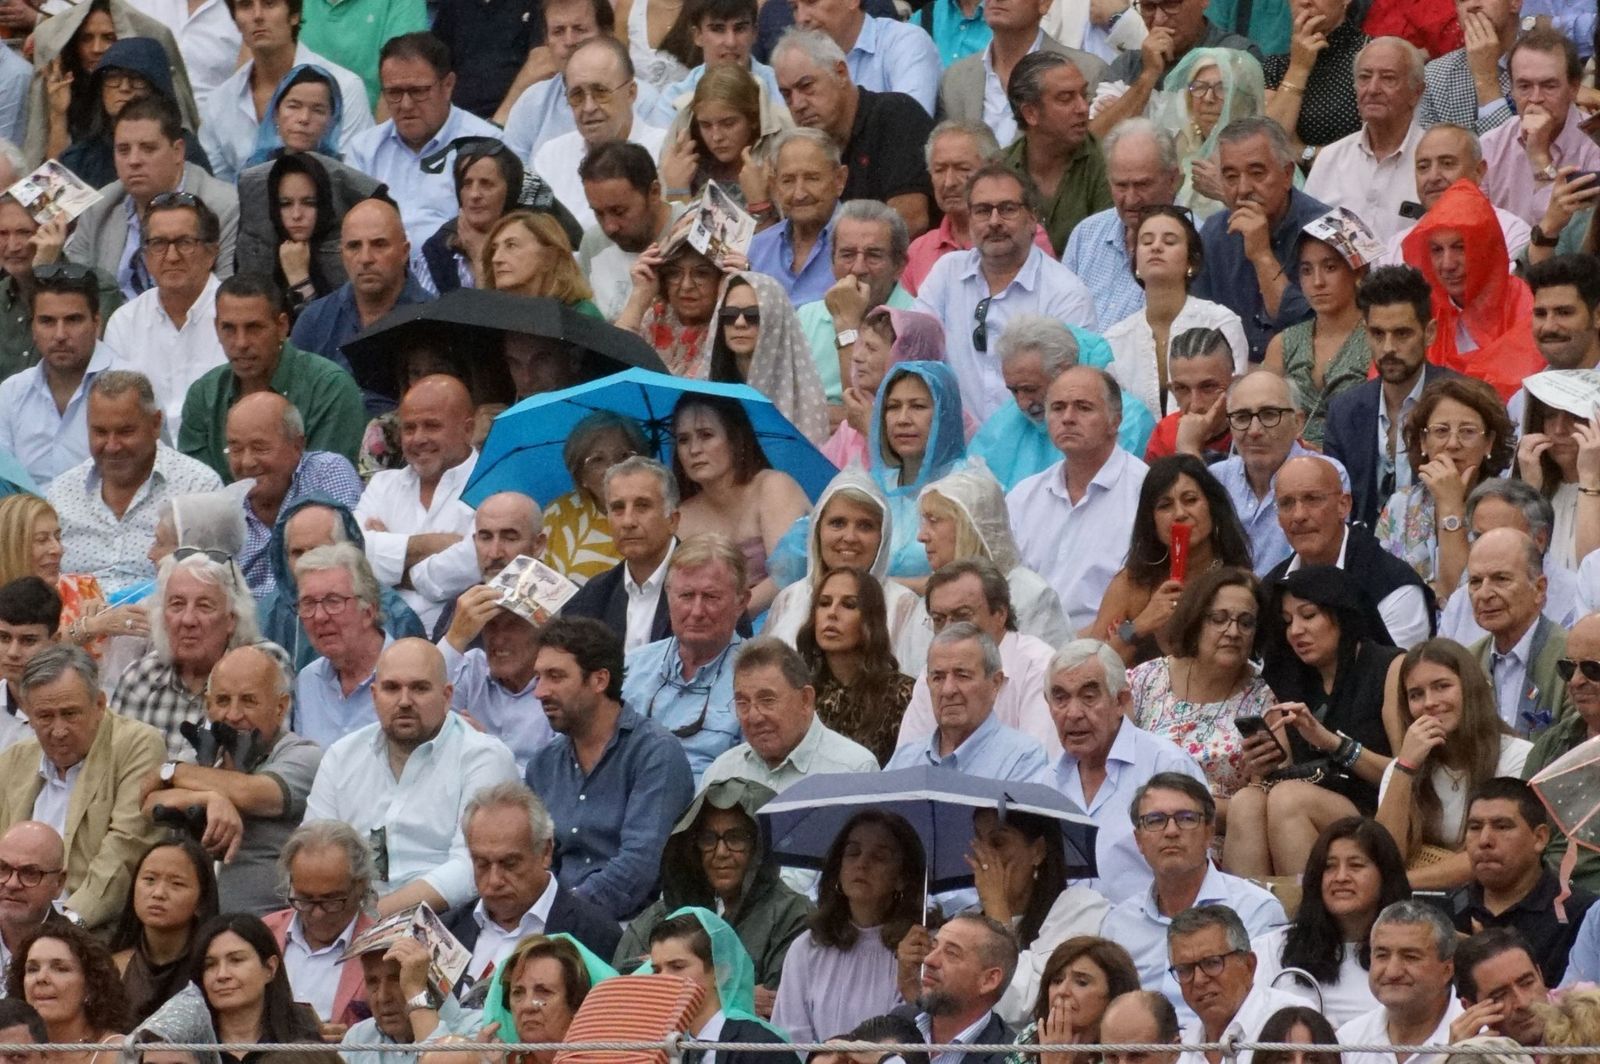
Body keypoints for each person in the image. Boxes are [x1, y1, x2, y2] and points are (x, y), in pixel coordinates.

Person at [304, 638, 520, 915]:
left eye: (419, 688)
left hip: (449, 919)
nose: (404, 701)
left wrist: (374, 918)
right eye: (392, 688)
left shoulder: (484, 758)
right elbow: (314, 850)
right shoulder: (341, 756)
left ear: (447, 696)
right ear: (374, 695)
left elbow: (471, 868)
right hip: (347, 915)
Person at [524, 616, 697, 921]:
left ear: (600, 680)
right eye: (538, 677)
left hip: (632, 925)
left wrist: (563, 915)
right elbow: (537, 863)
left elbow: (639, 866)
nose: (540, 691)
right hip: (554, 922)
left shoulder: (655, 753)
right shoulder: (543, 765)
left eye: (555, 676)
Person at [1237, 567, 1403, 878]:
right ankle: (1252, 908)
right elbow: (1281, 773)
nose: (1295, 631)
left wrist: (1332, 743)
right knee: (1246, 802)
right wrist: (1262, 766)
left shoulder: (1390, 666)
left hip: (1378, 812)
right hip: (1309, 801)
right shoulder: (1290, 676)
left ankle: (1305, 908)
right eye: (1287, 621)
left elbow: (1406, 774)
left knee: (1289, 798)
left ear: (1340, 613)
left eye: (1308, 615)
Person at [141, 643, 319, 915]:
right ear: (208, 705)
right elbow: (149, 802)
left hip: (269, 928)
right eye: (223, 701)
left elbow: (251, 793)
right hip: (195, 927)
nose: (234, 715)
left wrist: (173, 771)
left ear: (280, 707)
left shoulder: (303, 755)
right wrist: (208, 799)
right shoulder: (204, 754)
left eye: (249, 701)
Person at [0, 646, 164, 929]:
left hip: (94, 930)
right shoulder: (14, 760)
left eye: (70, 714)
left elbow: (125, 851)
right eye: (45, 716)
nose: (58, 730)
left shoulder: (136, 745)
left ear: (100, 704)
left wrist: (65, 929)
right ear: (28, 713)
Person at [918, 163, 1098, 422]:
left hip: (1036, 438)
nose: (994, 222)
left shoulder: (1066, 293)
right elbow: (914, 349)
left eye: (1007, 209)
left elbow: (1073, 389)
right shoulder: (947, 273)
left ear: (1032, 218)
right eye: (982, 211)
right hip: (957, 442)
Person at [1097, 773, 1286, 1011]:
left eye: (1186, 819)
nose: (1171, 831)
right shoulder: (1117, 925)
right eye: (1155, 820)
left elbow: (1265, 1009)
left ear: (1209, 833)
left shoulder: (1256, 910)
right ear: (1139, 841)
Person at [617, 776, 811, 1003]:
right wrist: (739, 995)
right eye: (708, 839)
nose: (721, 852)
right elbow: (620, 991)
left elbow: (779, 1004)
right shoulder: (664, 914)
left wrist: (663, 983)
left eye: (736, 838)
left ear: (760, 845)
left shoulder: (793, 916)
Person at [1044, 639, 1207, 899]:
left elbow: (1193, 873)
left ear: (1121, 701)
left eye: (1088, 697)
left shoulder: (1166, 766)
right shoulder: (1046, 783)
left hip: (1148, 921)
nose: (1073, 713)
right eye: (1060, 699)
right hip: (1063, 922)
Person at [46, 371, 224, 596]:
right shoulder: (62, 493)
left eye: (125, 432)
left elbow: (214, 584)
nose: (112, 446)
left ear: (156, 424)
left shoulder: (197, 488)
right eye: (100, 432)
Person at [178, 273, 366, 483]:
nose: (241, 343)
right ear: (216, 328)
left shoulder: (329, 389)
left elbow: (327, 486)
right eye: (228, 328)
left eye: (254, 328)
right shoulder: (204, 395)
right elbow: (195, 487)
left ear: (282, 326)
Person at [1375, 639, 1533, 889]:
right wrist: (1405, 768)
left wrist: (1399, 884)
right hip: (1417, 900)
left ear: (1470, 688)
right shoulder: (1401, 768)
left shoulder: (1517, 756)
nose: (1429, 702)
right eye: (1416, 694)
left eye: (1442, 686)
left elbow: (1496, 851)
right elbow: (1384, 857)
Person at [1007, 366, 1148, 634]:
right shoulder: (1023, 497)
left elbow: (1144, 606)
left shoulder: (1145, 492)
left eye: (1083, 407)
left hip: (1110, 647)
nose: (1068, 418)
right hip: (1024, 647)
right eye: (1058, 408)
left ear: (1115, 421)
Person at [60, 96, 240, 303]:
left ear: (178, 151)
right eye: (123, 150)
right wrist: (47, 257)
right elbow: (77, 299)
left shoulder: (224, 207)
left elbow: (227, 297)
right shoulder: (99, 207)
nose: (133, 161)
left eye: (148, 148)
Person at [110, 548, 286, 759]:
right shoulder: (140, 677)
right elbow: (114, 767)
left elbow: (270, 760)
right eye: (177, 605)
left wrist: (169, 774)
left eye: (204, 606)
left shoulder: (265, 666)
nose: (188, 620)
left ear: (231, 618)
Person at [1128, 567, 1279, 811]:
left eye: (1246, 623)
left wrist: (1260, 776)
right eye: (1219, 619)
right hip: (1140, 819)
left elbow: (1266, 803)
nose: (1233, 632)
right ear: (1196, 621)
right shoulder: (1146, 679)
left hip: (1220, 827)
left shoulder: (1266, 699)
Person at [441, 781, 622, 981]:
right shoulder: (446, 931)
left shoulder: (595, 935)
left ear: (545, 852)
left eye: (509, 864)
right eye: (482, 864)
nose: (494, 880)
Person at [772, 810, 927, 1043]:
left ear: (901, 877)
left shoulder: (921, 949)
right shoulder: (807, 947)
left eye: (879, 857)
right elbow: (789, 1039)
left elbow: (927, 1034)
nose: (862, 864)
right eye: (853, 853)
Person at [1324, 264, 1458, 531]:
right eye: (1378, 334)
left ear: (1429, 333)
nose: (1388, 348)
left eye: (1402, 333)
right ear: (1366, 333)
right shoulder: (1344, 411)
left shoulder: (1463, 402)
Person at [762, 467, 934, 673]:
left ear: (883, 536)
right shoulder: (789, 599)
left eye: (865, 526)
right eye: (837, 523)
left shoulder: (903, 604)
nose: (850, 537)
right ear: (817, 530)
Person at [1190, 117, 1330, 364]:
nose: (1243, 189)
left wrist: (1262, 256)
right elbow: (1197, 326)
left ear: (1287, 174)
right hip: (1230, 377)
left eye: (1257, 173)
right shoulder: (1213, 233)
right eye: (1231, 177)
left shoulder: (1330, 230)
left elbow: (1321, 332)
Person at [342, 34, 501, 249]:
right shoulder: (363, 150)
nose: (406, 105)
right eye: (394, 93)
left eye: (418, 91)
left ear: (448, 85)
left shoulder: (487, 145)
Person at [1090, 456, 1252, 666]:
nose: (1180, 514)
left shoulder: (1238, 581)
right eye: (1165, 506)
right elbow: (1093, 662)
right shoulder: (1131, 582)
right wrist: (1138, 626)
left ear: (1212, 507)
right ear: (1151, 520)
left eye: (1190, 500)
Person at [768, 31, 933, 236]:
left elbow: (911, 219)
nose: (797, 104)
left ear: (841, 73)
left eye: (806, 86)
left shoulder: (895, 114)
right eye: (786, 95)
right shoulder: (810, 147)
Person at [1249, 817, 1409, 1026]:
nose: (1340, 877)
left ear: (1385, 876)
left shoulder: (1413, 954)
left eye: (1356, 865)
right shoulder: (1271, 949)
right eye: (1329, 867)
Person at [1267, 455, 1434, 650]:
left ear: (1343, 505)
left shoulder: (1394, 588)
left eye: (1312, 499)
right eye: (1286, 503)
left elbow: (1397, 667)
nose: (1299, 515)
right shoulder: (1270, 589)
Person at [353, 375, 479, 632]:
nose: (418, 438)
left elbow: (474, 564)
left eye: (432, 426)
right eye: (409, 428)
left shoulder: (493, 487)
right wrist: (429, 545)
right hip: (379, 638)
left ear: (468, 429)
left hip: (458, 642)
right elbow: (352, 554)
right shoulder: (382, 485)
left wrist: (388, 561)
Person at [1399, 180, 1545, 402]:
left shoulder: (1525, 305)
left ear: (1486, 247)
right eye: (1437, 250)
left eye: (1460, 247)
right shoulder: (1425, 309)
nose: (1447, 264)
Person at [98, 190, 228, 437]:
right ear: (145, 256)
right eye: (158, 244)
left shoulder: (238, 316)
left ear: (212, 253)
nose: (171, 256)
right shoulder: (124, 322)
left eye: (185, 243)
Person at [621, 535, 749, 784]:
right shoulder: (633, 667)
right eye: (687, 596)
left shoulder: (759, 676)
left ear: (741, 602)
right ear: (668, 595)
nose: (697, 611)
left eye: (711, 597)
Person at [898, 560, 1060, 757]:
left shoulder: (1039, 667)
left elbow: (1040, 762)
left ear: (1000, 614)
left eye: (961, 616)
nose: (949, 629)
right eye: (939, 620)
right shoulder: (934, 673)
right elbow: (908, 759)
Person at [197, 0, 370, 184]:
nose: (257, 15)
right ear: (236, 21)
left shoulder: (345, 88)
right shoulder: (218, 103)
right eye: (246, 5)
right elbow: (217, 190)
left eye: (269, 4)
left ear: (294, 15)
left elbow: (352, 180)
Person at [968, 315, 1153, 486]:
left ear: (1064, 371)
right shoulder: (1008, 417)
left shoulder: (1129, 420)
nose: (1022, 403)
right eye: (1014, 391)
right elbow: (968, 480)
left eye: (1030, 389)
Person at [1374, 376, 1515, 599]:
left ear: (1488, 442)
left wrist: (1451, 506)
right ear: (1423, 440)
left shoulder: (1507, 507)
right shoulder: (1400, 504)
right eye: (1441, 431)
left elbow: (1461, 599)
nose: (1452, 444)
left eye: (1467, 431)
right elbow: (1379, 588)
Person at [1105, 204, 1248, 422]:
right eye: (1146, 241)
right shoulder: (1114, 340)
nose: (1156, 247)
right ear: (1136, 263)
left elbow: (1236, 400)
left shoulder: (1220, 322)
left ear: (1191, 261)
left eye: (1170, 241)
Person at [671, 397, 811, 616]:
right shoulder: (682, 516)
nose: (694, 449)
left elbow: (788, 575)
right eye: (683, 440)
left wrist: (728, 615)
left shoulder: (773, 486)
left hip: (786, 617)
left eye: (706, 435)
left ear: (736, 439)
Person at [256, 498, 427, 671]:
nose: (306, 561)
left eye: (318, 550)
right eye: (297, 552)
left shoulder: (395, 614)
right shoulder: (268, 613)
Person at [1260, 210, 1384, 447]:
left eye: (1330, 267)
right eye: (1306, 270)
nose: (1317, 282)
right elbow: (1263, 412)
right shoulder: (1283, 344)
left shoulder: (1379, 338)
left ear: (1358, 271)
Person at [1457, 778, 1597, 986]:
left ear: (1540, 838)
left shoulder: (1580, 913)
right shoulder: (1447, 910)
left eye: (1502, 826)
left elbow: (1579, 1003)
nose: (1484, 840)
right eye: (1475, 827)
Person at [702, 636, 879, 791]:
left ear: (805, 700)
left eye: (767, 700)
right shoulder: (720, 775)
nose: (754, 717)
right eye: (742, 703)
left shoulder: (854, 771)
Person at [917, 468, 1070, 646]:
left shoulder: (1030, 596)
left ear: (972, 526)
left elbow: (1044, 661)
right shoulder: (931, 599)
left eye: (934, 521)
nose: (921, 536)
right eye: (939, 619)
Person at [532, 39, 668, 237]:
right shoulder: (550, 156)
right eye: (577, 95)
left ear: (631, 93)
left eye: (601, 92)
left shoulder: (666, 151)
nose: (588, 107)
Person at [1210, 374, 1343, 577]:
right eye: (1242, 417)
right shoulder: (1217, 479)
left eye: (1269, 415)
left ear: (1298, 423)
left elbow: (1326, 565)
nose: (1254, 430)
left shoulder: (1326, 474)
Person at [793, 196, 918, 411]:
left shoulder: (916, 321)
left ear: (899, 265)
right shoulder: (806, 317)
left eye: (873, 255)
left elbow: (870, 417)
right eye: (847, 255)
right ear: (832, 262)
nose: (858, 268)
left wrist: (846, 324)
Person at [0, 267, 118, 491]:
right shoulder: (11, 393)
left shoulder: (131, 386)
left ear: (97, 323)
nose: (60, 335)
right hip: (25, 512)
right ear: (33, 327)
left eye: (73, 320)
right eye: (47, 321)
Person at [884, 623, 1049, 783]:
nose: (948, 690)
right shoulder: (905, 760)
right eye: (938, 678)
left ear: (996, 682)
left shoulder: (1023, 760)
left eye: (962, 676)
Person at [1299, 39, 1426, 244]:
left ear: (1416, 92)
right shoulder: (1331, 158)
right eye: (1364, 77)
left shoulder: (1434, 160)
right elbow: (1308, 239)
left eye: (1388, 78)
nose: (1373, 89)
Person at [289, 198, 431, 379]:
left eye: (379, 245)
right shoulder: (314, 321)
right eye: (354, 246)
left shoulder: (434, 320)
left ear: (404, 252)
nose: (365, 258)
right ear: (342, 255)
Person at [417, 141, 581, 298]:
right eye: (467, 184)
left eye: (486, 184)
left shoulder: (537, 241)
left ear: (510, 191)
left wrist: (480, 259)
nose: (474, 194)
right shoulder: (437, 251)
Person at [53, 37, 213, 195]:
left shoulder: (183, 150)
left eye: (136, 79)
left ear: (156, 88)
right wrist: (58, 115)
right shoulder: (82, 155)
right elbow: (51, 203)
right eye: (113, 77)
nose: (124, 87)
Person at [1063, 120, 1182, 330]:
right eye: (1121, 185)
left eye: (1142, 185)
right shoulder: (1086, 234)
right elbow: (1059, 316)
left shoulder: (1195, 243)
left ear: (1172, 180)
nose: (1131, 199)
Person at [792, 565, 916, 765]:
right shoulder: (800, 692)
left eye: (849, 605)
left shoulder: (903, 695)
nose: (832, 613)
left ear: (870, 619)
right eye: (824, 603)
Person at [261, 820, 378, 1027]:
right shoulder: (263, 933)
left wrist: (352, 1038)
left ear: (360, 886)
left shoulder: (382, 948)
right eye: (305, 899)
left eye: (331, 900)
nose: (317, 914)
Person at [236, 151, 380, 319]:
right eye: (285, 204)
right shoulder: (261, 256)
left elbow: (330, 330)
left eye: (309, 203)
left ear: (323, 204)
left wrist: (299, 279)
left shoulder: (348, 257)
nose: (297, 215)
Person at [1438, 479, 1584, 644]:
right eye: (1479, 537)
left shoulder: (1576, 600)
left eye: (1502, 535)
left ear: (1539, 539)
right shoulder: (1461, 600)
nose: (1487, 546)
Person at [1090, 0, 1263, 138]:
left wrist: (1123, 114)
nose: (1158, 20)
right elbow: (1093, 143)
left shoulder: (1236, 55)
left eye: (1171, 4)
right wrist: (1148, 75)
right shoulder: (1127, 64)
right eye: (1148, 7)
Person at [644, 909, 800, 1061]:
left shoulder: (761, 1047)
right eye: (656, 970)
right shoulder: (663, 1048)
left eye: (677, 967)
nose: (663, 979)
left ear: (720, 973)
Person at [1480, 30, 1600, 227]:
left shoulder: (1594, 145)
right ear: (1512, 89)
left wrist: (1540, 160)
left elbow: (1570, 235)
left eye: (1549, 86)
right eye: (1524, 86)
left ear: (1574, 88)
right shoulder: (1491, 146)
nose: (1535, 98)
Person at [998, 53, 1112, 258]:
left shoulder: (1108, 163)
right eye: (1066, 98)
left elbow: (1104, 253)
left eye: (1084, 95)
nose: (1083, 108)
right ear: (1030, 113)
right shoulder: (998, 171)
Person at [560, 454, 677, 649]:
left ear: (672, 520)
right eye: (618, 508)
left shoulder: (707, 584)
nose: (628, 522)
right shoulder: (592, 597)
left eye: (642, 506)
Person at [864, 362, 968, 579]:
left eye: (918, 406)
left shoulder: (969, 487)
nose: (902, 419)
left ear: (945, 413)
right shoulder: (871, 486)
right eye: (893, 407)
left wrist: (886, 588)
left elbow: (979, 577)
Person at [1462, 527, 1570, 737]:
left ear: (1539, 589)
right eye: (1475, 582)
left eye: (1501, 579)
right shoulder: (1467, 664)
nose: (1484, 594)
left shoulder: (1572, 662)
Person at [706, 272, 831, 447]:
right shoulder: (707, 388)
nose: (739, 323)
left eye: (753, 315)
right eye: (730, 314)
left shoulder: (805, 400)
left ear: (775, 321)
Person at [1167, 904, 1308, 1060]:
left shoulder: (1293, 1021)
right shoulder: (1183, 1048)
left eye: (1212, 963)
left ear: (1248, 965)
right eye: (1185, 969)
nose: (1198, 980)